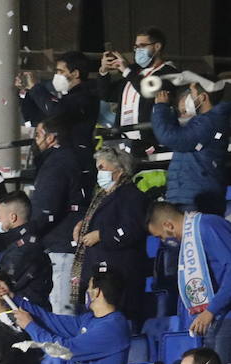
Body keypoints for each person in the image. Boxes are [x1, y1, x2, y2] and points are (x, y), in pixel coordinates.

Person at [69, 147, 151, 317]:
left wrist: (100, 235)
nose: (99, 173)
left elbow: (132, 229)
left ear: (119, 171)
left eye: (102, 168)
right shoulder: (101, 197)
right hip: (98, 274)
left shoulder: (132, 196)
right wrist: (83, 224)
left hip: (118, 278)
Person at [147, 202, 231, 364]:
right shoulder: (188, 240)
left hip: (225, 317)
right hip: (213, 319)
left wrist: (211, 310)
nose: (163, 241)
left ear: (168, 225)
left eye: (160, 236)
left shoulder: (208, 226)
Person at [26, 118, 90, 313]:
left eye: (38, 135)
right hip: (62, 246)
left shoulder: (57, 163)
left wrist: (26, 232)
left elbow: (47, 207)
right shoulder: (64, 159)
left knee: (62, 311)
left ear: (51, 138)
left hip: (61, 248)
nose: (34, 141)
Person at [151, 79, 231, 216]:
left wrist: (161, 107)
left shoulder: (209, 122)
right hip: (191, 195)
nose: (188, 98)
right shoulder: (206, 121)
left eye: (191, 94)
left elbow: (170, 137)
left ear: (203, 97)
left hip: (197, 199)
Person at [98, 28, 179, 144]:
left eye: (142, 46)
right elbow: (106, 95)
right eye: (136, 47)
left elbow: (148, 92)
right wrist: (103, 71)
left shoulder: (168, 72)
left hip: (148, 138)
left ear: (157, 47)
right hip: (123, 137)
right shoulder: (134, 72)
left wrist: (126, 70)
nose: (138, 50)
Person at [22, 52, 101, 165]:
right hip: (58, 156)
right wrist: (27, 92)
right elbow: (34, 118)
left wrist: (36, 88)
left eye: (61, 71)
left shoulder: (85, 96)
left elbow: (57, 112)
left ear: (75, 74)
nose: (57, 75)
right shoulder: (66, 98)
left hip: (76, 158)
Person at [0, 193, 53, 307]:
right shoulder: (20, 242)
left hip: (27, 311)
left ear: (12, 217)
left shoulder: (26, 247)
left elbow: (1, 278)